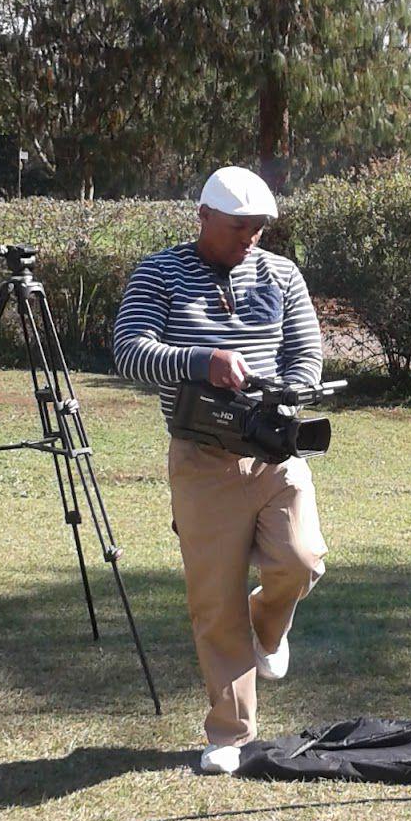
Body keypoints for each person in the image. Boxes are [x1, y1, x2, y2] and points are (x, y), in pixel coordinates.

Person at [112, 166, 328, 774]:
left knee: (302, 560)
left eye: (258, 229)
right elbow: (130, 349)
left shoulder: (282, 273)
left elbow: (306, 349)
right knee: (215, 602)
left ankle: (268, 624)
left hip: (273, 448)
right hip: (201, 458)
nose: (250, 239)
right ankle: (231, 735)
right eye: (239, 228)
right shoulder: (159, 272)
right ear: (203, 216)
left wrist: (293, 386)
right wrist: (201, 361)